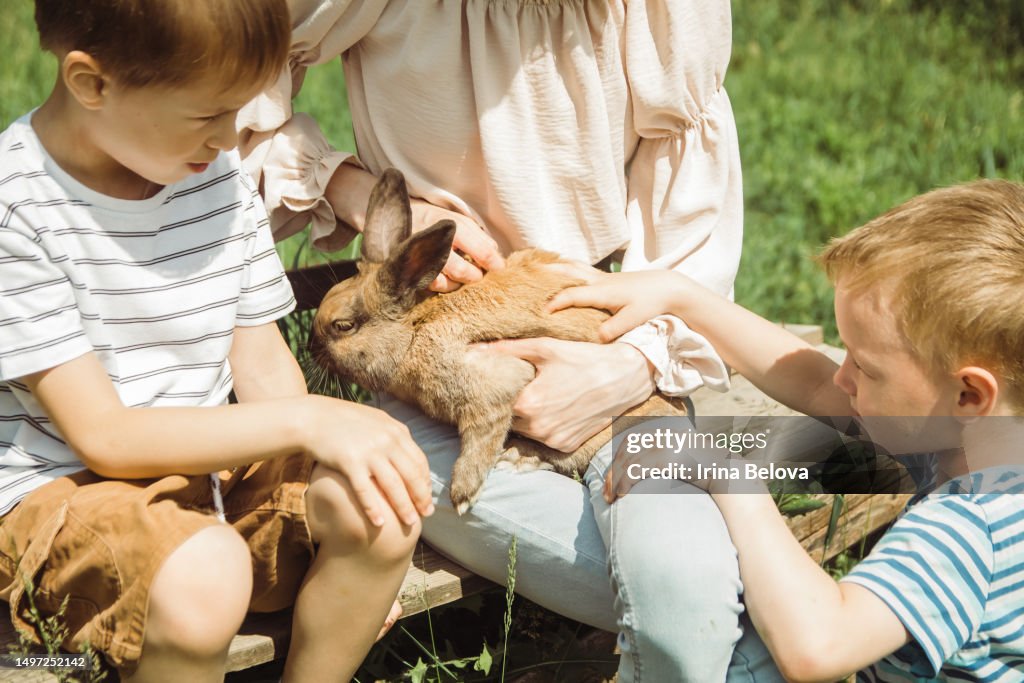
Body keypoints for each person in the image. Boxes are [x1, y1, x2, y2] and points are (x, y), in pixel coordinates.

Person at [239, 1, 781, 680]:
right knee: (688, 615)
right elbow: (208, 100)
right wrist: (347, 187)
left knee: (683, 593)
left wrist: (632, 361)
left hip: (613, 364)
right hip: (427, 398)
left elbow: (687, 238)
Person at [0, 1, 434, 681]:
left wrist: (328, 477)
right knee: (208, 572)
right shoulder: (17, 207)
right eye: (207, 116)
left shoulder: (208, 171)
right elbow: (104, 436)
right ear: (91, 83)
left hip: (215, 473)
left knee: (377, 503)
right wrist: (310, 418)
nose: (231, 137)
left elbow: (259, 358)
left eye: (239, 111)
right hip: (65, 492)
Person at [550, 179, 1024, 681]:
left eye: (864, 367)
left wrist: (733, 480)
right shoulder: (979, 446)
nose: (844, 376)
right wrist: (680, 296)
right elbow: (818, 383)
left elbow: (818, 648)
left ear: (970, 395)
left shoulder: (969, 528)